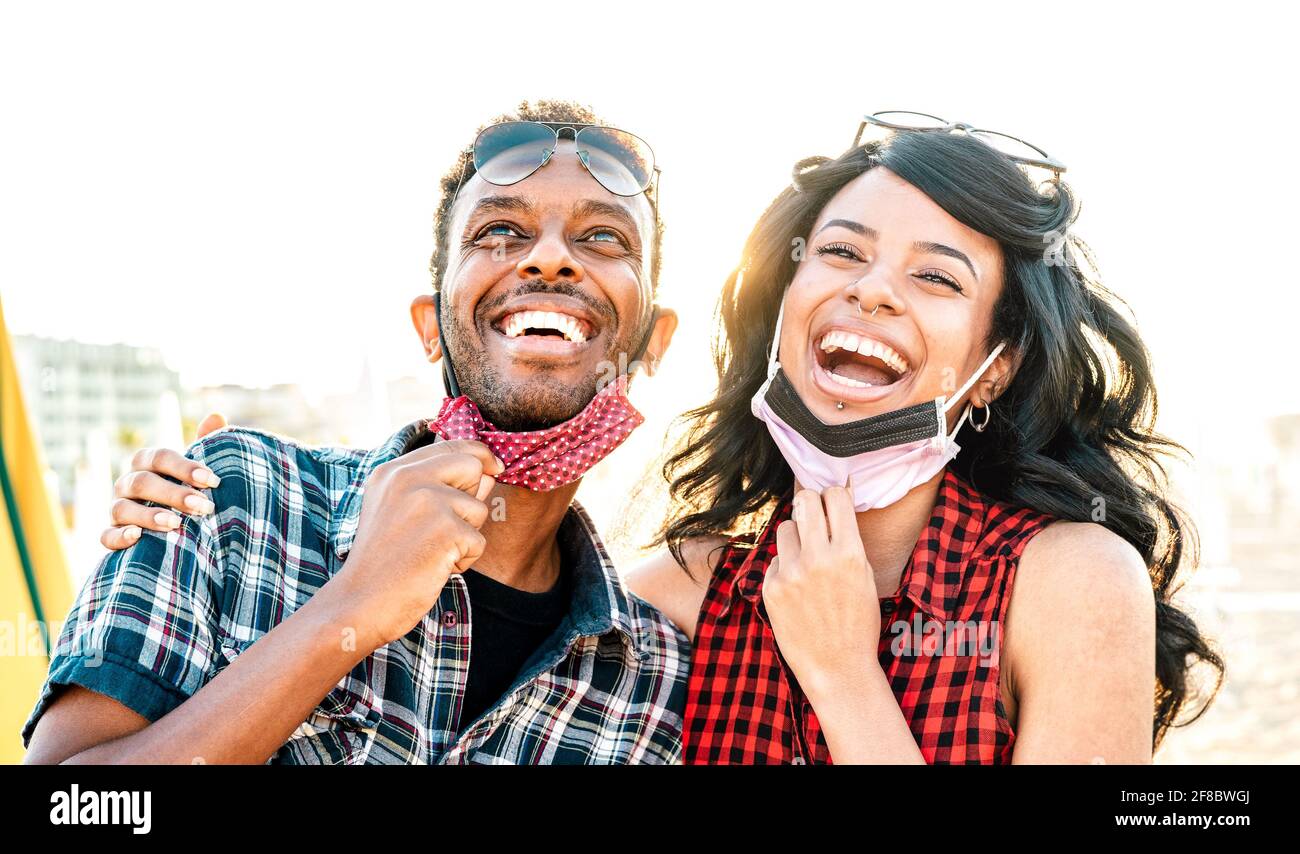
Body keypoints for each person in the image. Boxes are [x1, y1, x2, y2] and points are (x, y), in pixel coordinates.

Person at [22, 100, 688, 765]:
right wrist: (350, 607)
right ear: (431, 327)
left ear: (653, 342)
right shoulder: (226, 502)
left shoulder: (661, 687)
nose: (548, 257)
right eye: (500, 230)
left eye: (603, 237)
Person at [628, 115, 1223, 763]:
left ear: (995, 368)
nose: (873, 290)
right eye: (842, 252)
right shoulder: (672, 600)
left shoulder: (1073, 583)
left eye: (937, 277)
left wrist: (844, 677)